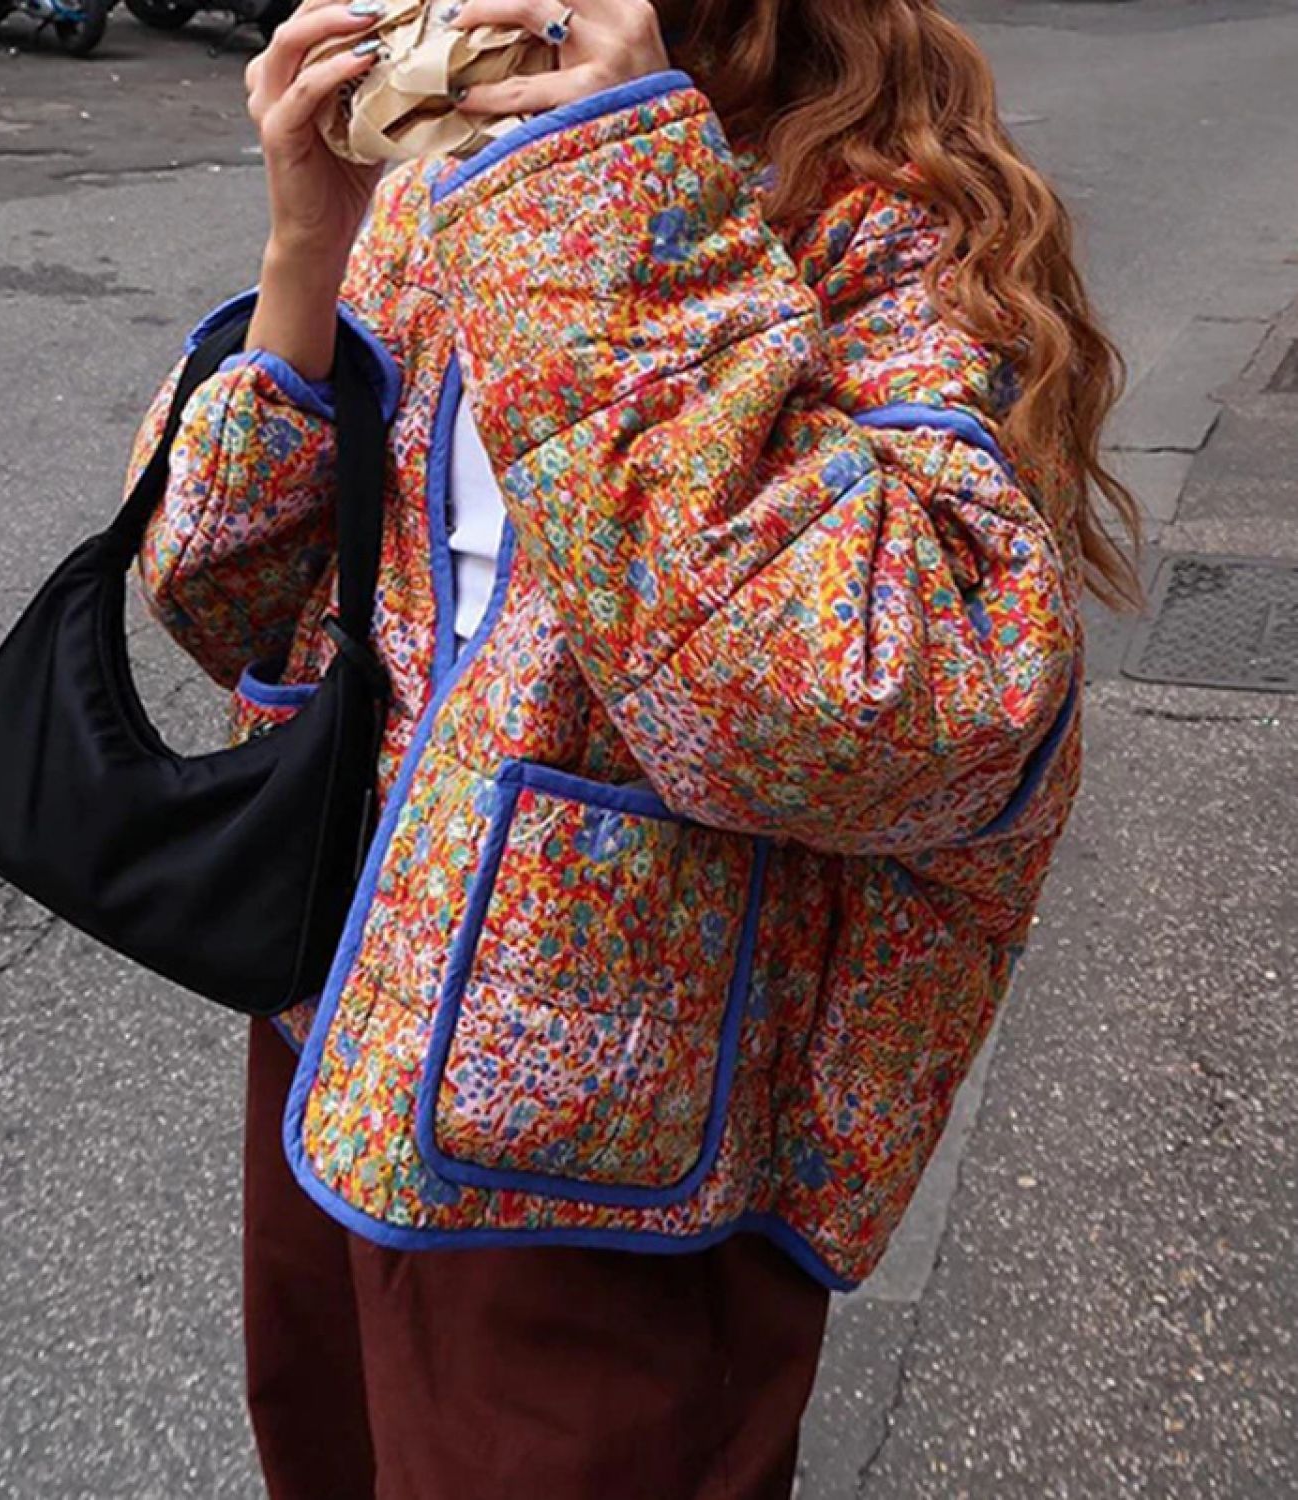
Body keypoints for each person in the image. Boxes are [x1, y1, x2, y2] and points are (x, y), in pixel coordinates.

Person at [127, 1, 1139, 1494]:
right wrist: (308, 249)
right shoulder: (439, 189)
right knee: (323, 1448)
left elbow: (881, 714)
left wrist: (622, 195)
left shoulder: (880, 232)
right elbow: (220, 593)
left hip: (621, 1153)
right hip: (337, 1035)